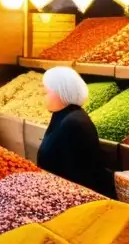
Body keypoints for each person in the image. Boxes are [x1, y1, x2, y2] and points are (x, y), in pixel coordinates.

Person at [38, 66, 107, 194]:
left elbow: (79, 176)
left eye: (46, 92)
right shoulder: (61, 115)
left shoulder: (73, 123)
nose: (43, 96)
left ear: (61, 92)